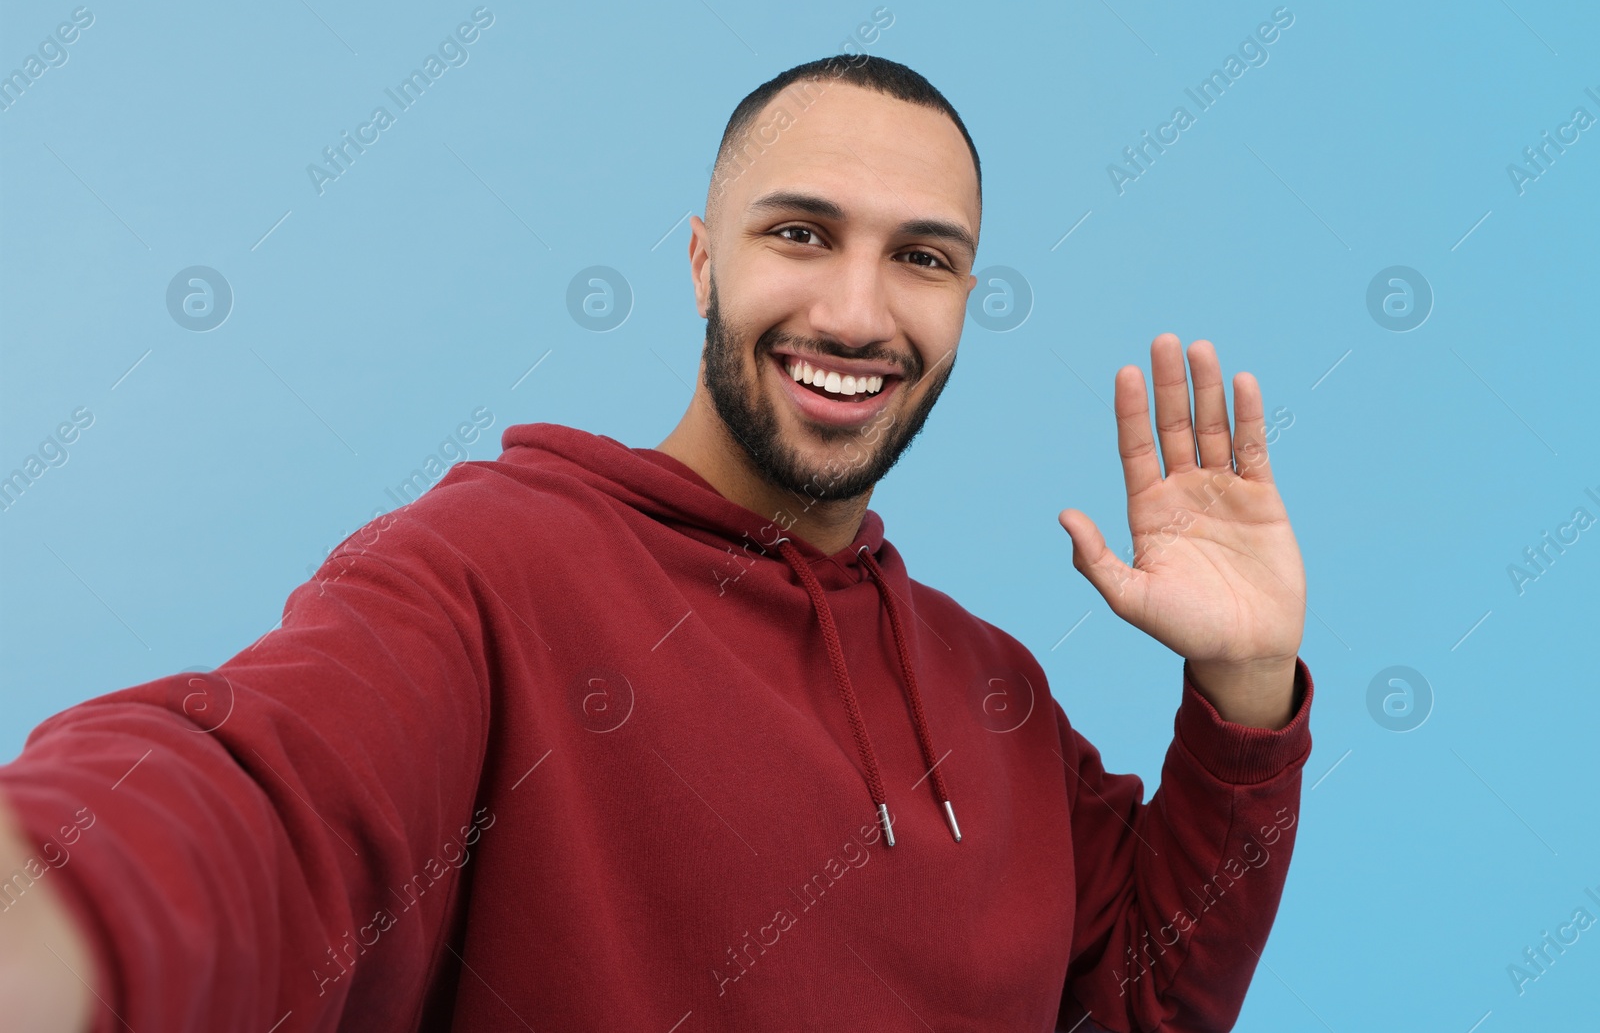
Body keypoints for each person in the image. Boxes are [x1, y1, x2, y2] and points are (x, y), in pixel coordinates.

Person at [0, 54, 1312, 1032]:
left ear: (966, 297)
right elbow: (267, 797)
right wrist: (63, 908)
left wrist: (1244, 696)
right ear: (700, 261)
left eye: (921, 257)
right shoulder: (492, 566)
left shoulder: (998, 693)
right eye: (800, 234)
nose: (857, 313)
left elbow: (1143, 1002)